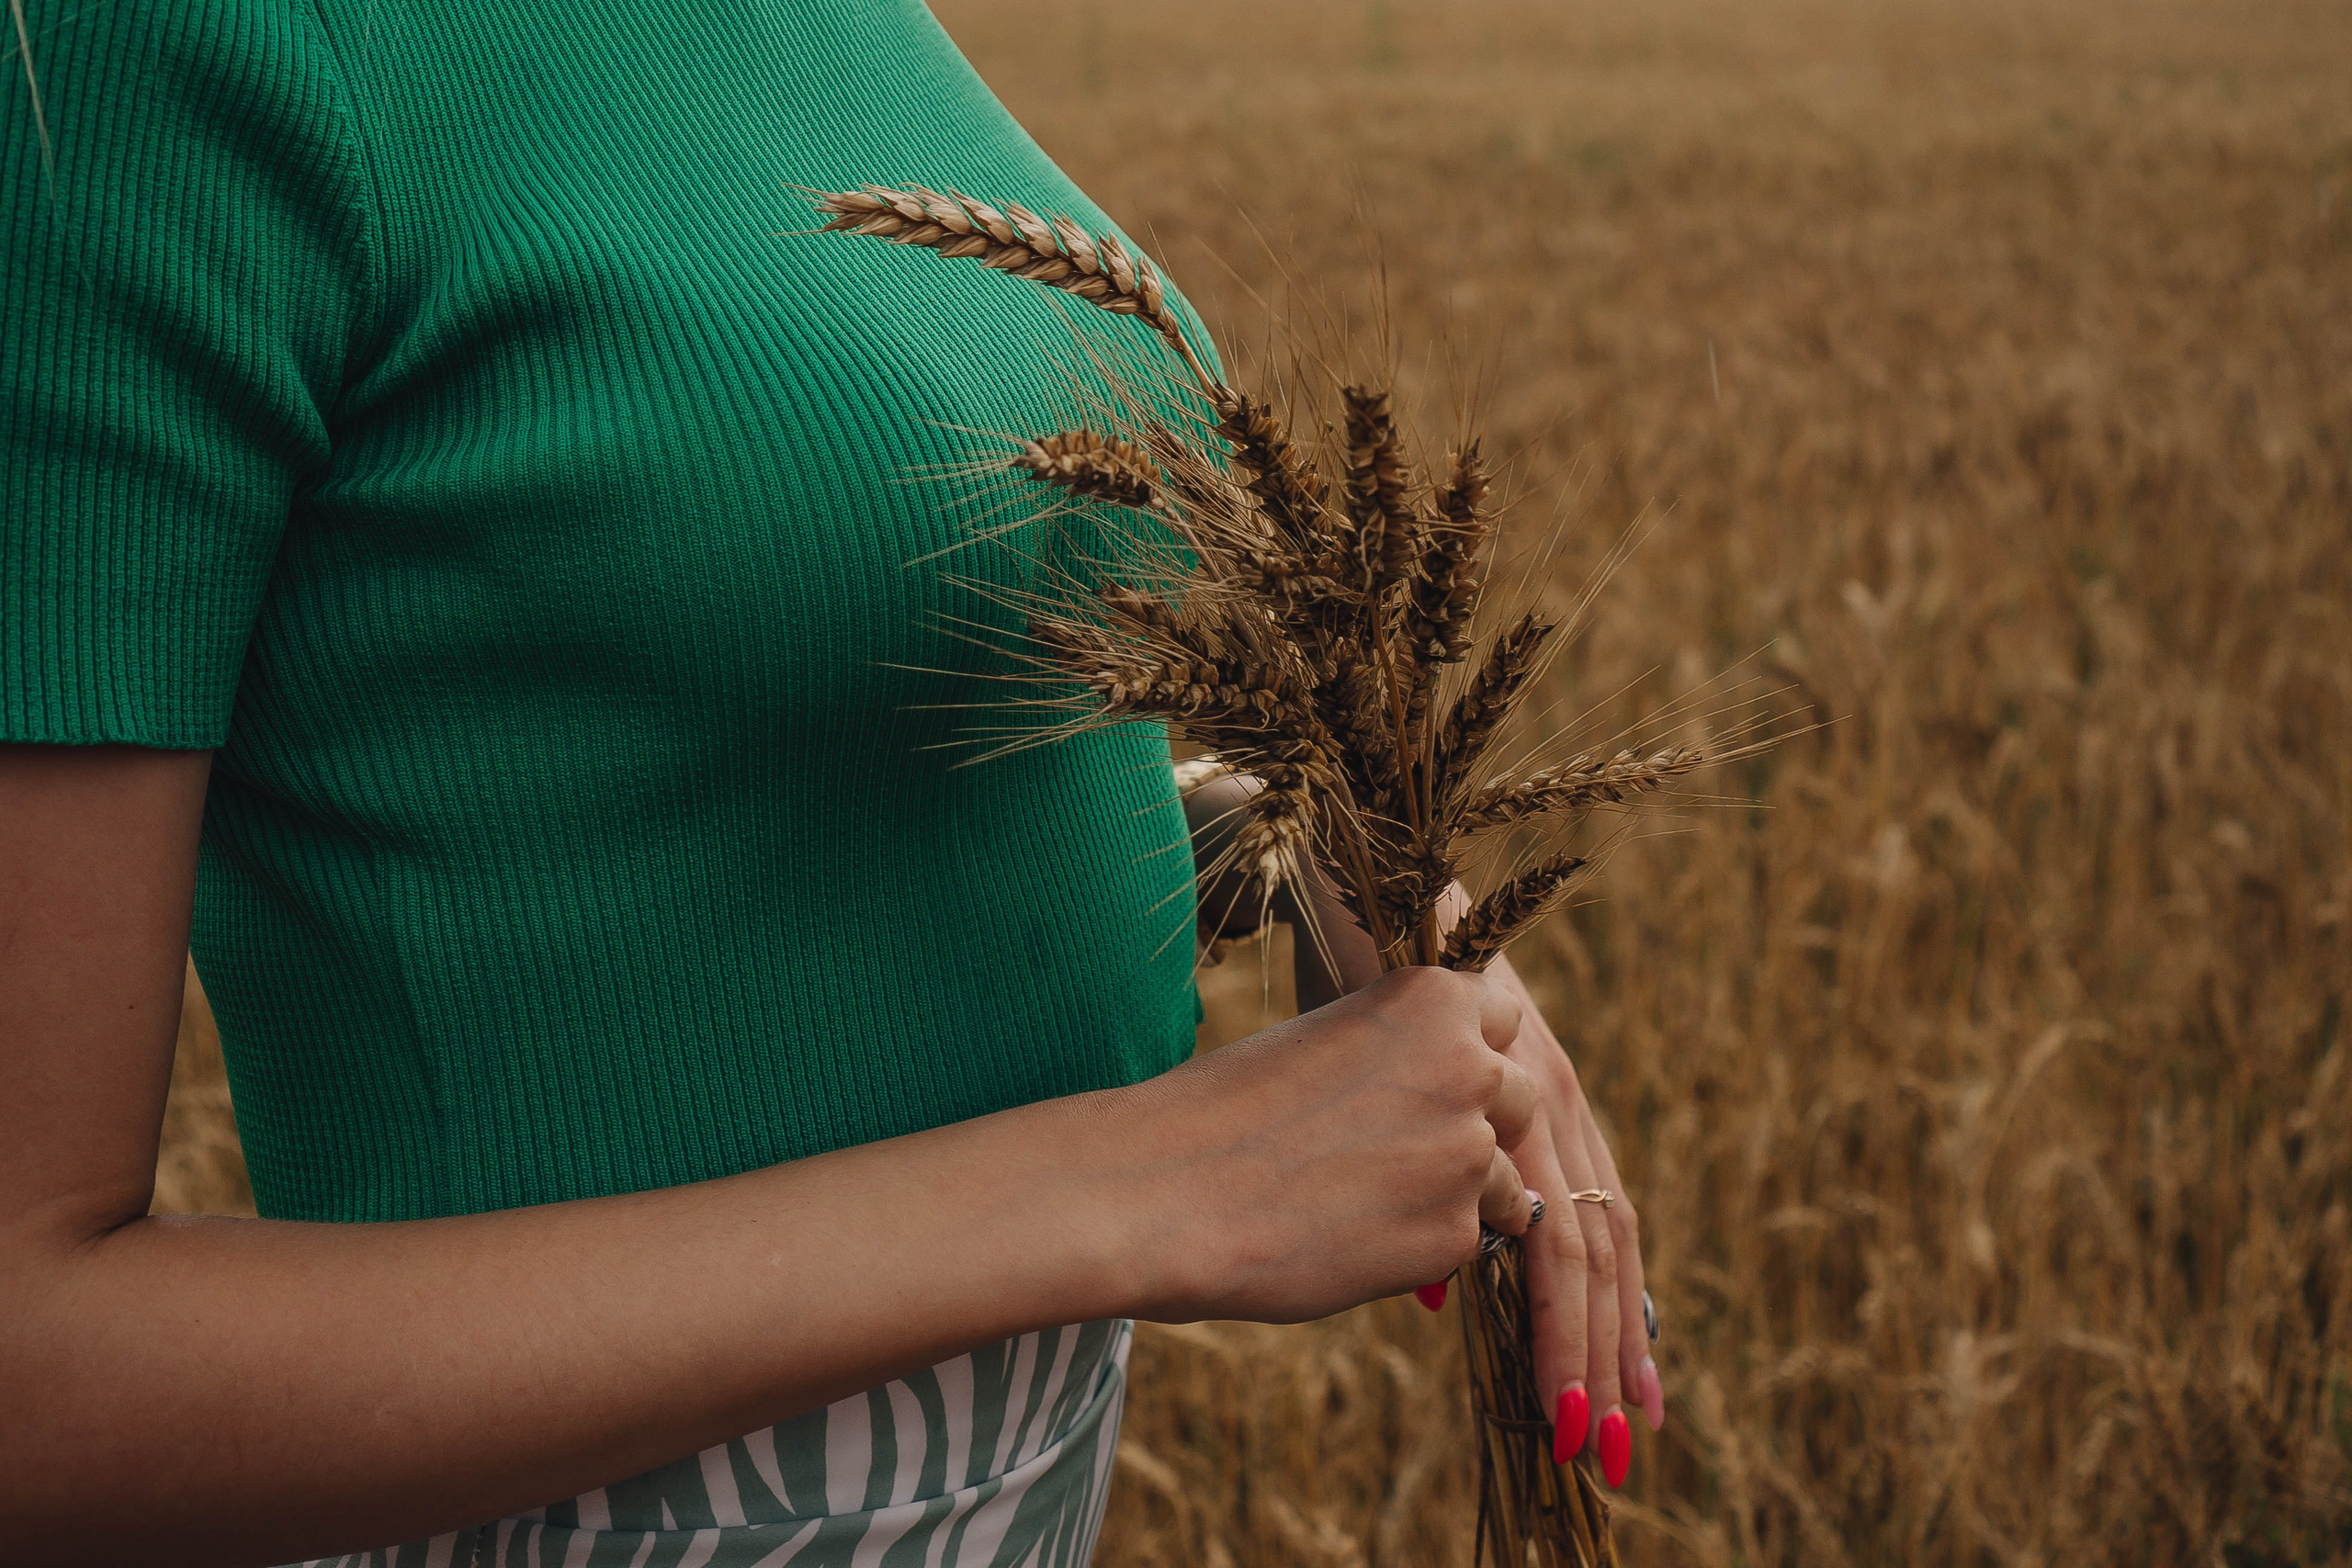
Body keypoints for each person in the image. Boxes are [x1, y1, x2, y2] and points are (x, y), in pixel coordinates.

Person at [0, 1, 1662, 1562]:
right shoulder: (138, 48)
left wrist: (1287, 840)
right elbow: (32, 1367)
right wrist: (1158, 1181)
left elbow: (682, 764)